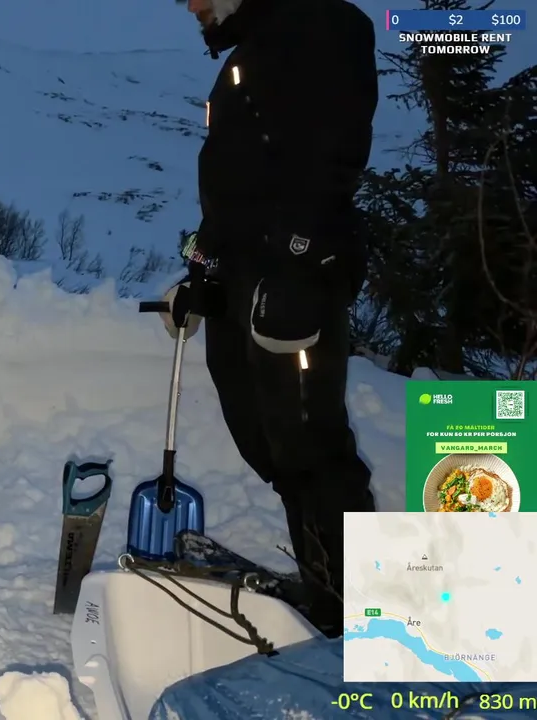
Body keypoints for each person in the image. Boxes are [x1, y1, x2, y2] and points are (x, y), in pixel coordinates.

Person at [164, 0, 379, 637]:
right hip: (243, 278)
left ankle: (356, 610)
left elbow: (331, 156)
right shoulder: (251, 52)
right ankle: (325, 590)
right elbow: (237, 186)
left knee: (312, 442)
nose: (192, 6)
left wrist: (297, 261)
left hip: (290, 281)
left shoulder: (318, 26)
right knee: (269, 439)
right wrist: (202, 270)